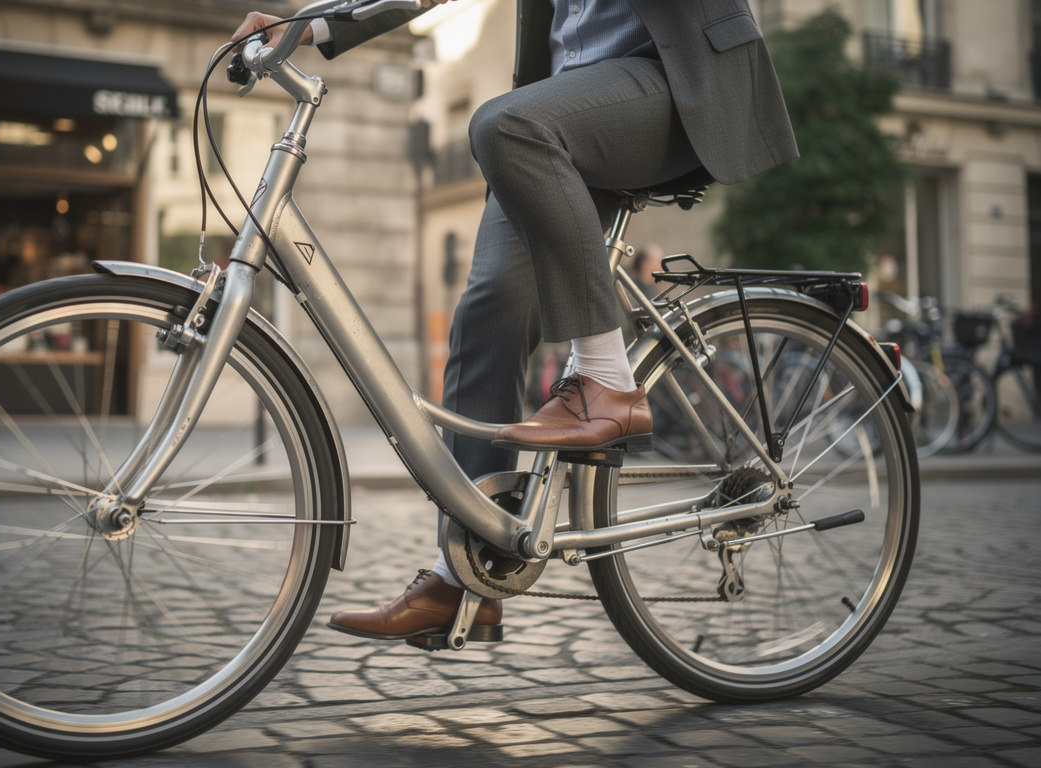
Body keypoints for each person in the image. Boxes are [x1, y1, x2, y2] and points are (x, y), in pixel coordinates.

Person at [233, 0, 798, 644]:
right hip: (563, 99)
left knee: (503, 123)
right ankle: (469, 570)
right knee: (487, 310)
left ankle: (607, 381)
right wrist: (310, 23)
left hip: (670, 80)